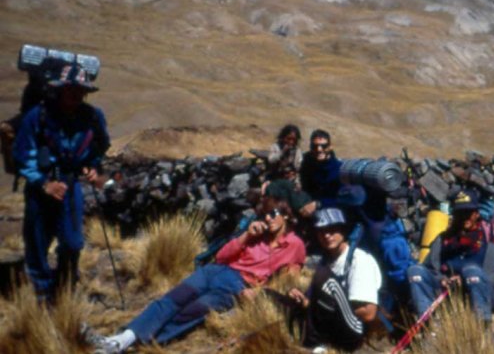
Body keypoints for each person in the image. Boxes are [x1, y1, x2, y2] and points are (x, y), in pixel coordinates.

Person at [93, 187, 306, 353]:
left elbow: (287, 281)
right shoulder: (256, 233)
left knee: (194, 310)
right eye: (265, 214)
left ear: (286, 214)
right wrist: (246, 236)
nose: (268, 219)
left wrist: (259, 294)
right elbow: (222, 256)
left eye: (274, 213)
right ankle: (123, 338)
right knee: (174, 299)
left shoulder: (295, 246)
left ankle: (143, 343)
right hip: (216, 271)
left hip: (240, 285)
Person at [13, 62, 110, 300]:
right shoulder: (39, 115)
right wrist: (44, 184)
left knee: (73, 242)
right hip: (40, 189)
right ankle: (43, 295)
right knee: (37, 243)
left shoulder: (92, 117)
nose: (76, 95)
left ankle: (64, 286)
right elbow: (23, 154)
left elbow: (100, 146)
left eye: (81, 91)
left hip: (70, 185)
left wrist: (93, 168)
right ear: (60, 89)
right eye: (71, 89)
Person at [286, 208, 382, 352]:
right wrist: (304, 301)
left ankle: (317, 345)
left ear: (343, 231)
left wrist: (324, 308)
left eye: (332, 229)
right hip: (332, 323)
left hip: (355, 331)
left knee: (326, 279)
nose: (327, 235)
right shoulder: (327, 260)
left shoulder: (359, 260)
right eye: (321, 231)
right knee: (274, 297)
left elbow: (368, 314)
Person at [407, 188, 494, 324]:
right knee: (415, 271)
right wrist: (442, 279)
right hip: (444, 293)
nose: (464, 218)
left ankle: (482, 327)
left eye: (468, 213)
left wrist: (465, 279)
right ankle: (428, 324)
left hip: (477, 293)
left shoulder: (488, 243)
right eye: (460, 213)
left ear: (476, 214)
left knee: (472, 272)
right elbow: (428, 267)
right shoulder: (442, 241)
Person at [298, 129, 342, 215]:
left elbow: (341, 199)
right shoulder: (307, 163)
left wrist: (318, 204)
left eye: (323, 146)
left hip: (330, 209)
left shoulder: (338, 169)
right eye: (315, 146)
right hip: (307, 204)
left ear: (330, 147)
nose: (319, 149)